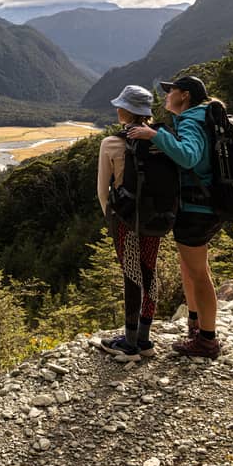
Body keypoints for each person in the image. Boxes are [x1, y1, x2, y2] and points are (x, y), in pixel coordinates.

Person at [127, 75, 222, 359]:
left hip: (197, 209)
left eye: (171, 91)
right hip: (201, 207)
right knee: (190, 268)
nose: (166, 96)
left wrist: (155, 135)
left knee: (199, 274)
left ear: (185, 95)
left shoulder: (192, 120)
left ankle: (207, 340)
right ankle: (195, 324)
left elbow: (189, 156)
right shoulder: (200, 118)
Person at [97, 85, 162, 362]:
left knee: (131, 275)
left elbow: (102, 190)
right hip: (156, 218)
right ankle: (145, 338)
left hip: (126, 219)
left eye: (120, 105)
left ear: (128, 111)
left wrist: (111, 218)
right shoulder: (161, 139)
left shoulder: (111, 143)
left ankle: (130, 342)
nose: (117, 109)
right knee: (149, 270)